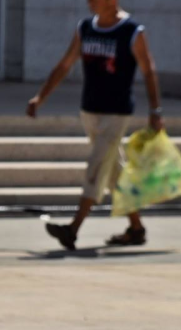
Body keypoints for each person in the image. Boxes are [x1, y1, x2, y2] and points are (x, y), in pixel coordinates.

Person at [26, 0, 163, 250]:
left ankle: (73, 228)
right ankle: (136, 228)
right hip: (89, 110)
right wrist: (40, 96)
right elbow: (65, 64)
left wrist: (155, 109)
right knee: (113, 172)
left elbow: (148, 71)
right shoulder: (86, 28)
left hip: (117, 112)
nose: (89, 2)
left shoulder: (132, 31)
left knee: (96, 166)